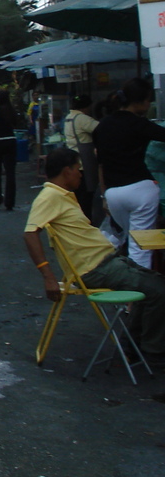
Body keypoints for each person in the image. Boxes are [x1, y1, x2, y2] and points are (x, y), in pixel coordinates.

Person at [24, 146, 165, 360]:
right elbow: (30, 234)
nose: (81, 173)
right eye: (77, 169)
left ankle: (135, 345)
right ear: (66, 171)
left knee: (153, 283)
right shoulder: (49, 196)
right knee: (158, 289)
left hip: (105, 261)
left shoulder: (62, 196)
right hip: (96, 268)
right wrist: (48, 277)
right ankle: (152, 350)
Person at [92, 77, 165, 268]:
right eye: (148, 100)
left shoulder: (103, 126)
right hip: (141, 190)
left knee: (123, 238)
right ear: (140, 101)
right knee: (140, 246)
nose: (149, 105)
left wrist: (104, 196)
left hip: (113, 193)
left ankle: (126, 284)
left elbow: (101, 164)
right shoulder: (139, 124)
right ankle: (140, 291)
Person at [63, 94, 101, 223]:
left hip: (74, 161)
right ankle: (86, 222)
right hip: (84, 162)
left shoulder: (69, 117)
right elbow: (101, 128)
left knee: (79, 196)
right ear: (87, 106)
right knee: (86, 196)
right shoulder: (82, 118)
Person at [0, 89, 20, 210]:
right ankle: (10, 201)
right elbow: (16, 124)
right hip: (10, 141)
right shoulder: (11, 110)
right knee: (10, 173)